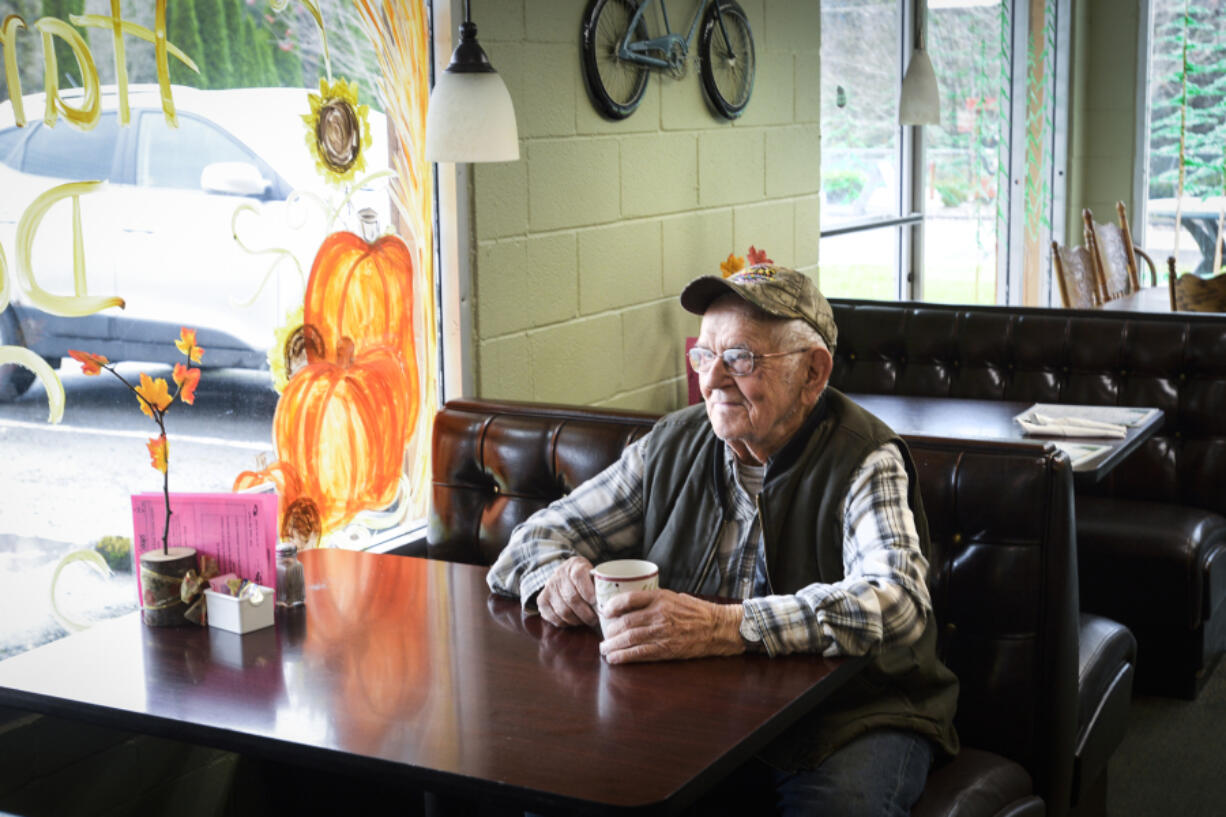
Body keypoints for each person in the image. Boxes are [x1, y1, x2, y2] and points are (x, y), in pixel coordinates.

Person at [487, 262, 959, 816]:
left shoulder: (864, 457)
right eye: (704, 355)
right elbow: (530, 541)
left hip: (851, 714)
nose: (710, 380)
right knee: (558, 790)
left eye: (740, 358)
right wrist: (555, 578)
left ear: (812, 373)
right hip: (698, 711)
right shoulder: (672, 444)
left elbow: (896, 601)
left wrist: (728, 626)